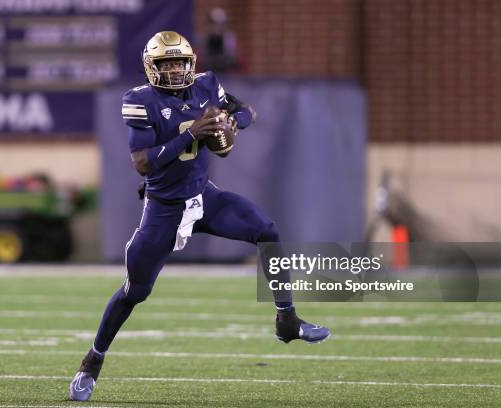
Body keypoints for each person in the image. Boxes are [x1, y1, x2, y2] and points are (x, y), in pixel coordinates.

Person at [69, 31, 330, 402]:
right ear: (152, 68)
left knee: (267, 231)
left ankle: (286, 320)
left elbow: (244, 109)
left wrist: (232, 123)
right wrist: (191, 132)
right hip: (163, 209)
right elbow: (141, 163)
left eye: (180, 62)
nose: (175, 70)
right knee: (134, 292)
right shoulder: (139, 100)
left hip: (203, 197)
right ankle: (92, 362)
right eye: (167, 64)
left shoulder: (206, 85)